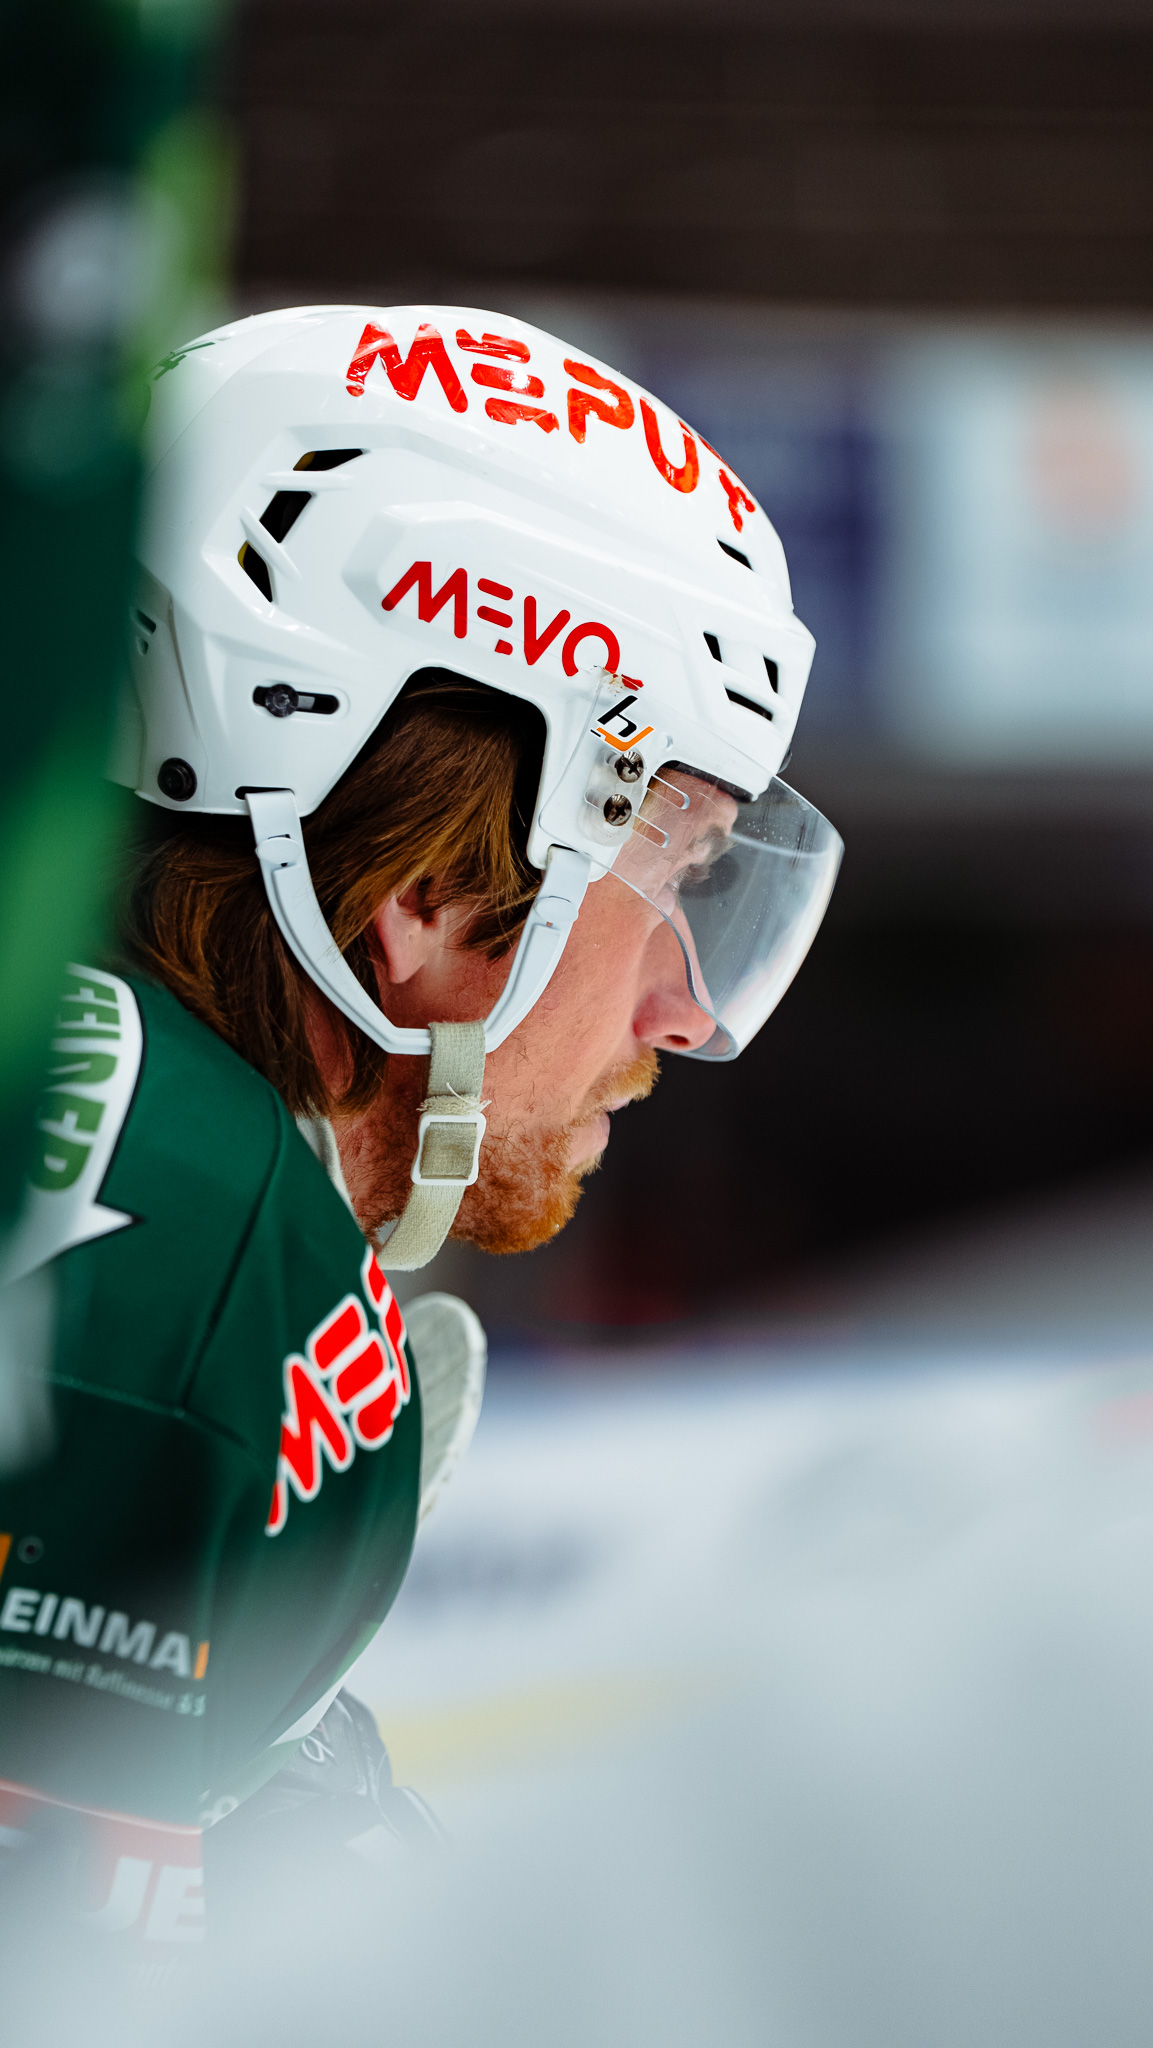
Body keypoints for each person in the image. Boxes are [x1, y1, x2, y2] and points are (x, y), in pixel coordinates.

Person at [0, 305, 841, 1953]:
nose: (681, 1012)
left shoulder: (108, 1112)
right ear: (438, 892)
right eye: (674, 865)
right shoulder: (205, 1270)